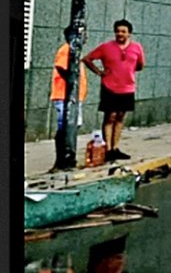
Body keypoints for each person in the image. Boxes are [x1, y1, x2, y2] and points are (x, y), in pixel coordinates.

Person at [82, 19, 146, 161]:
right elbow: (87, 59)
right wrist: (99, 72)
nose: (120, 34)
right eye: (117, 31)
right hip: (109, 86)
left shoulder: (136, 47)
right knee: (110, 116)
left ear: (129, 33)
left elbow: (140, 65)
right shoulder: (106, 47)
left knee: (120, 117)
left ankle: (116, 147)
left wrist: (127, 71)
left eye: (123, 31)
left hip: (127, 87)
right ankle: (108, 149)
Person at [50, 28, 88, 170]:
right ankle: (63, 158)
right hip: (64, 96)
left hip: (74, 97)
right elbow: (60, 67)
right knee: (65, 127)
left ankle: (68, 156)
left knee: (73, 126)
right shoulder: (66, 49)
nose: (86, 37)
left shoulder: (76, 51)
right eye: (83, 34)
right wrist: (71, 83)